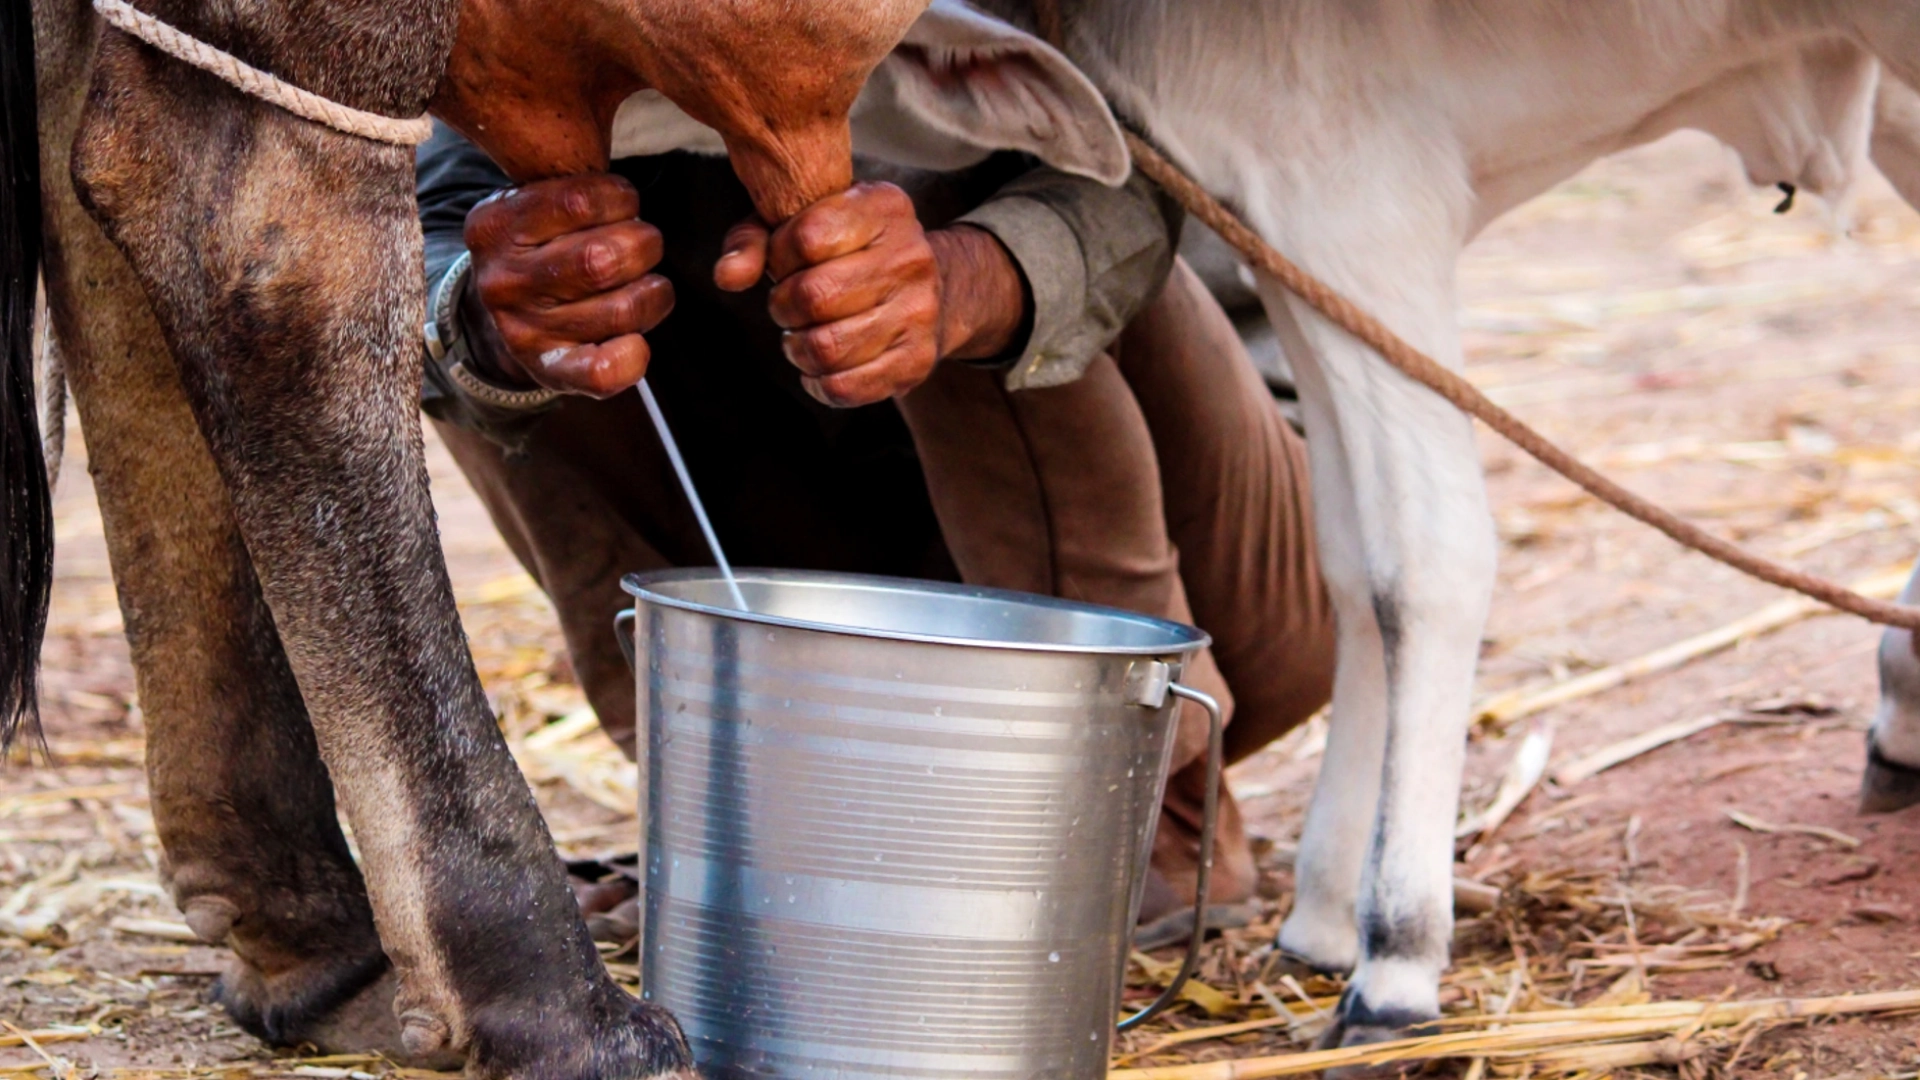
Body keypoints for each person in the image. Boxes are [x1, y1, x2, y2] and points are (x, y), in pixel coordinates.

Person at [415, 106, 1335, 946]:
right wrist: (495, 323)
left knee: (909, 207)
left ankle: (1139, 814)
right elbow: (422, 237)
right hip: (847, 566)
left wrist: (969, 280)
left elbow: (1132, 172)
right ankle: (745, 819)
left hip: (1232, 575)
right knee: (519, 293)